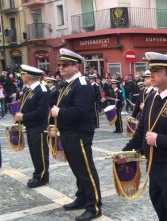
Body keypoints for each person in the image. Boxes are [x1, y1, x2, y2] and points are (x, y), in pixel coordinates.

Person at [119, 52, 167, 221]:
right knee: (161, 206)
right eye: (150, 69)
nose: (150, 74)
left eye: (156, 71)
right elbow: (142, 130)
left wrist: (159, 139)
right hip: (154, 164)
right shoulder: (153, 97)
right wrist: (125, 152)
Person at [50, 48, 102, 221]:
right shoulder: (68, 84)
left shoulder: (83, 84)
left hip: (79, 133)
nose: (61, 68)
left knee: (86, 169)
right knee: (77, 169)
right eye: (60, 65)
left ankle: (94, 206)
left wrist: (60, 112)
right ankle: (82, 197)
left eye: (65, 65)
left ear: (76, 66)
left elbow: (81, 111)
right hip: (68, 131)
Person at [14, 65, 50, 188]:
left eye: (22, 75)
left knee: (40, 152)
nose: (21, 77)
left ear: (27, 76)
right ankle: (37, 173)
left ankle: (42, 177)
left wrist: (24, 116)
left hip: (39, 127)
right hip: (31, 126)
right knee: (34, 152)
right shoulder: (28, 89)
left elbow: (42, 112)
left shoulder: (42, 90)